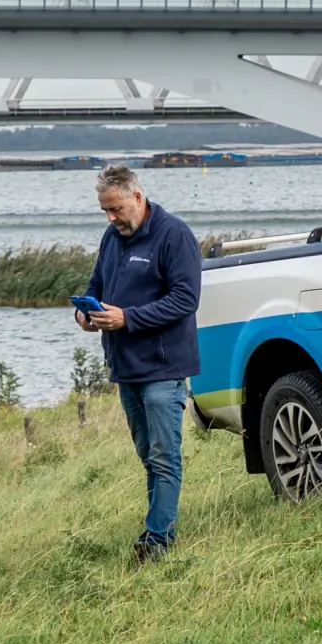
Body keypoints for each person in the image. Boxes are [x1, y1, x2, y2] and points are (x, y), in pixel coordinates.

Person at [76, 164, 205, 562]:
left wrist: (127, 318)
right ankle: (158, 531)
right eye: (105, 212)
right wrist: (86, 314)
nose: (112, 219)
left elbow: (186, 299)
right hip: (125, 366)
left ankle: (157, 541)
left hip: (164, 368)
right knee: (148, 455)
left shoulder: (174, 235)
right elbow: (96, 285)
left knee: (165, 457)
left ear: (137, 196)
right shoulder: (111, 238)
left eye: (116, 209)